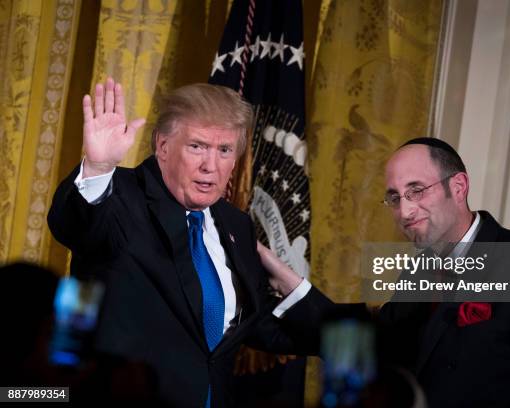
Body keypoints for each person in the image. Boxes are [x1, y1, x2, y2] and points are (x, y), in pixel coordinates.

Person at [259, 138, 510, 407]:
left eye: (416, 191)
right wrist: (290, 284)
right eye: (394, 197)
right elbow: (372, 346)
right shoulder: (420, 268)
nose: (405, 210)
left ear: (458, 187)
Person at [47, 78, 321, 407]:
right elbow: (76, 226)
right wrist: (99, 167)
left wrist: (295, 286)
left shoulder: (236, 226)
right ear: (163, 147)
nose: (211, 165)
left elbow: (259, 325)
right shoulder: (119, 195)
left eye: (224, 150)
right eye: (197, 146)